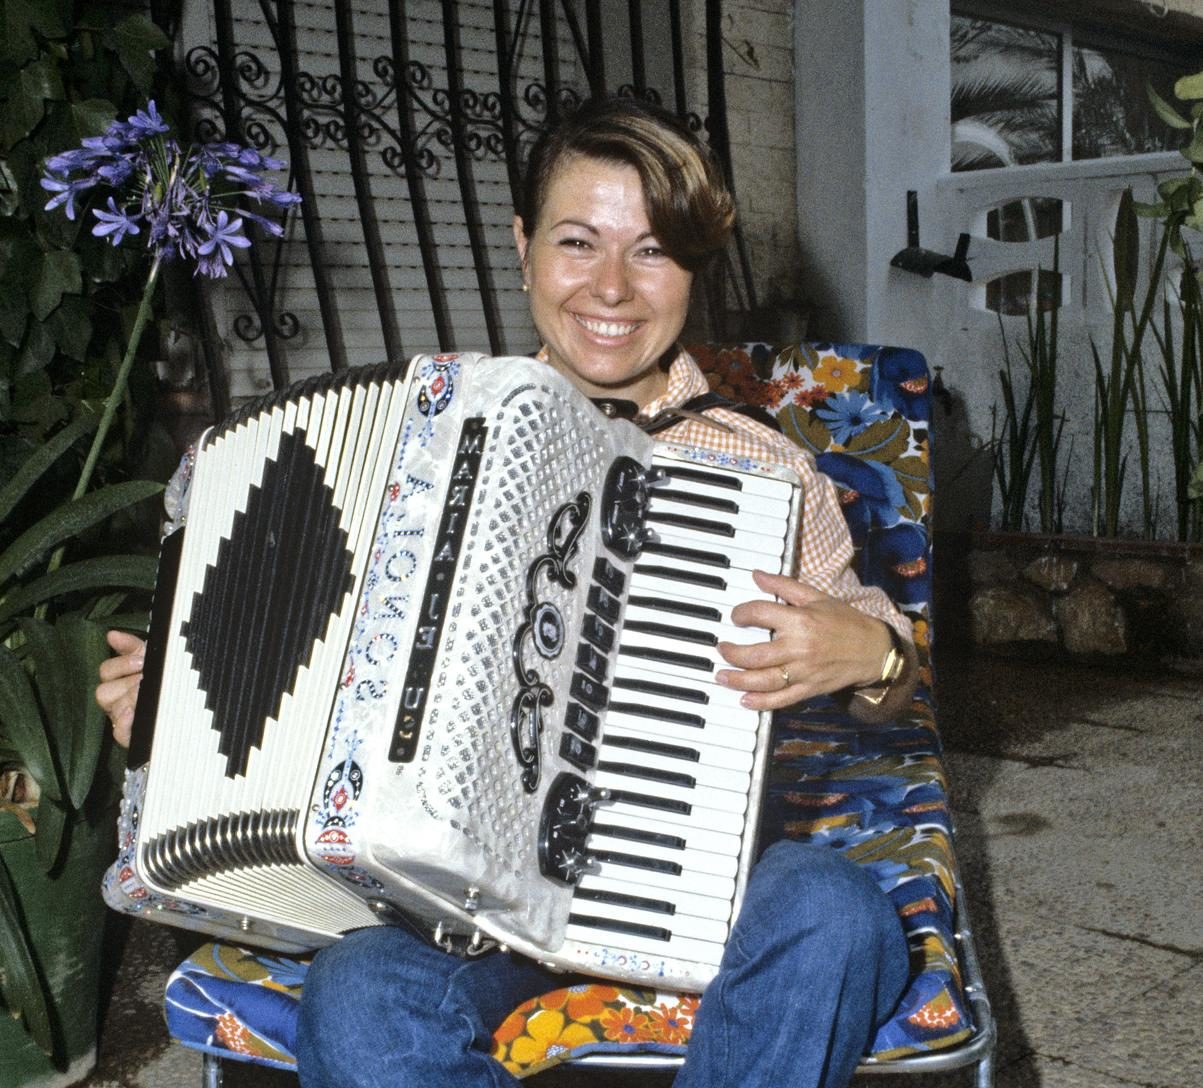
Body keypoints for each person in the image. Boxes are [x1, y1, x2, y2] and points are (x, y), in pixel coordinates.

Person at [97, 96, 916, 1088]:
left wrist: (872, 652)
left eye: (652, 250)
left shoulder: (762, 470)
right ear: (524, 246)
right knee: (358, 1000)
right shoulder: (422, 447)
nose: (612, 287)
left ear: (694, 269)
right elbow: (301, 677)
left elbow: (886, 674)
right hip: (459, 902)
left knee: (840, 915)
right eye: (579, 241)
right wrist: (175, 712)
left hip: (697, 879)